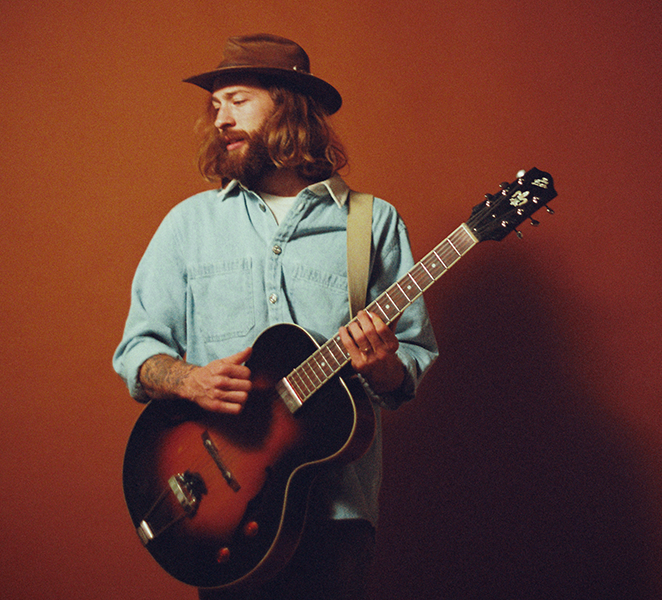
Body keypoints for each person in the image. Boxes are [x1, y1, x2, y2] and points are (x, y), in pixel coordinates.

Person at [113, 34, 438, 599]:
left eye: (237, 101)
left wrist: (382, 364)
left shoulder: (372, 223)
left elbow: (409, 361)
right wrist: (188, 379)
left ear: (289, 107)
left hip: (336, 513)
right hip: (223, 509)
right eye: (216, 105)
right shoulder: (190, 225)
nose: (221, 119)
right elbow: (136, 352)